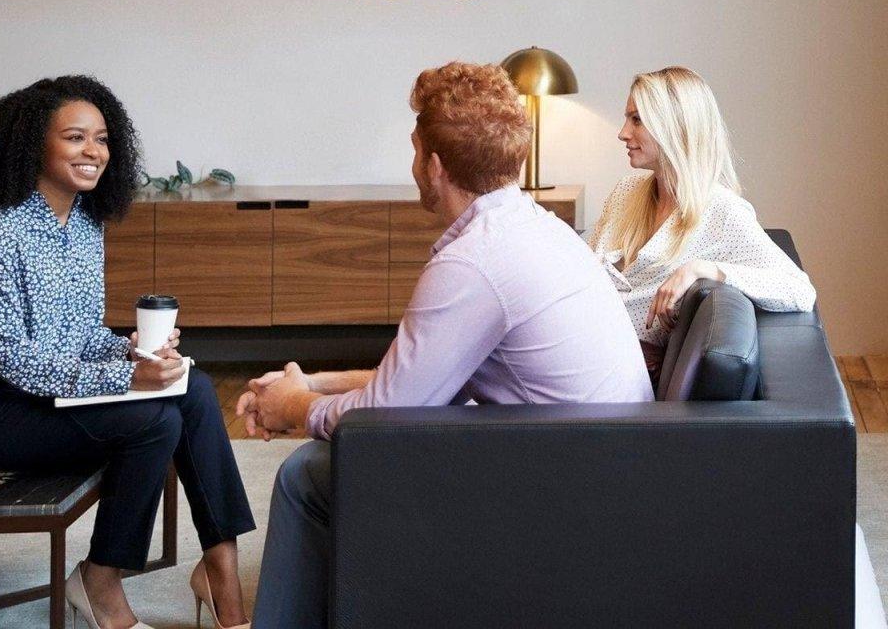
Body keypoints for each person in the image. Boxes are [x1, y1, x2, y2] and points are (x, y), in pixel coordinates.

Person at [236, 61, 653, 629]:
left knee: (307, 473)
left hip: (567, 490)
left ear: (433, 165)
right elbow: (424, 377)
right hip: (608, 465)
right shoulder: (535, 227)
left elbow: (386, 415)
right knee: (329, 457)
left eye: (414, 149)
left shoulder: (474, 263)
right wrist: (313, 383)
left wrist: (293, 409)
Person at [0, 75, 254, 629]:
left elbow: (82, 337)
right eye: (76, 137)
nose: (94, 152)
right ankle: (99, 579)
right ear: (35, 144)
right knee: (152, 419)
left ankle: (221, 567)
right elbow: (16, 361)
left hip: (55, 398)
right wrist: (127, 381)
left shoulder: (84, 225)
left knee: (195, 388)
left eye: (102, 139)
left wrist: (135, 353)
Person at [592, 66, 816, 377]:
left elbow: (799, 291)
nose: (622, 133)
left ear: (675, 126)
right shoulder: (625, 193)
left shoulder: (721, 212)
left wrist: (704, 269)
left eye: (637, 120)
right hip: (576, 341)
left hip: (615, 372)